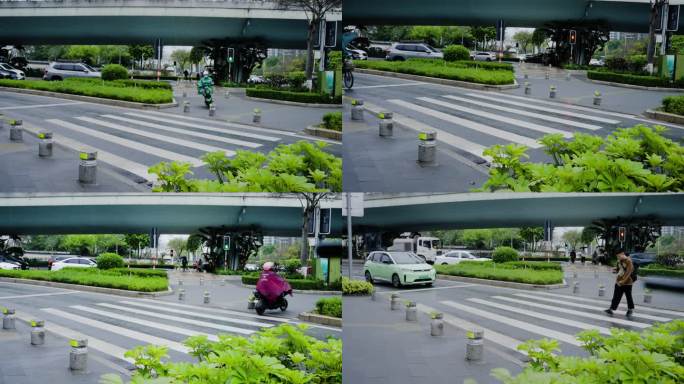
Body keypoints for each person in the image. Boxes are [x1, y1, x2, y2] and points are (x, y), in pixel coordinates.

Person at [605, 249, 635, 317]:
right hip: (619, 281)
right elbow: (619, 269)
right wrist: (615, 270)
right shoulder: (619, 261)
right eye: (617, 256)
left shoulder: (628, 261)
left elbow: (628, 272)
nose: (618, 257)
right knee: (616, 296)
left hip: (627, 283)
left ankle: (630, 309)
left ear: (622, 253)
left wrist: (623, 281)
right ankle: (611, 309)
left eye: (618, 256)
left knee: (628, 296)